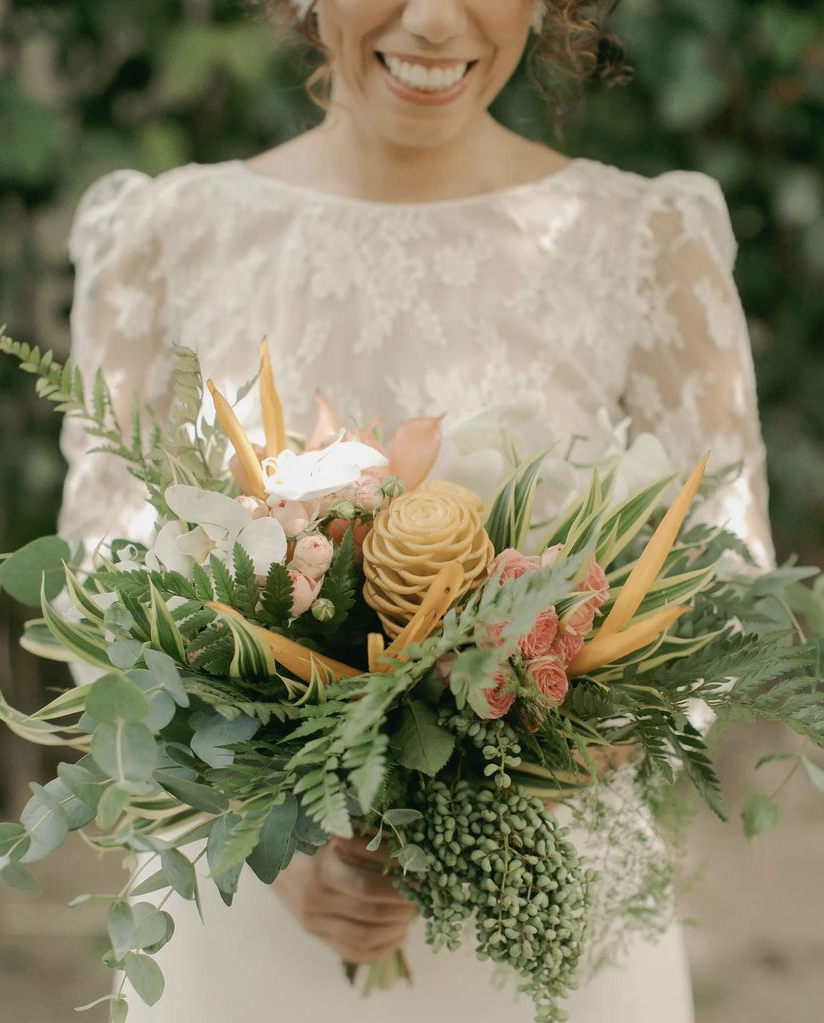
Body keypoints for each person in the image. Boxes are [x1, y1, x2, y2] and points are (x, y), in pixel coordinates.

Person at [59, 1, 776, 1020]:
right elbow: (104, 574)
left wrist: (546, 758)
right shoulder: (168, 235)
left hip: (548, 909)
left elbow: (716, 558)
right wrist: (270, 835)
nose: (434, 20)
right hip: (247, 908)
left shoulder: (643, 240)